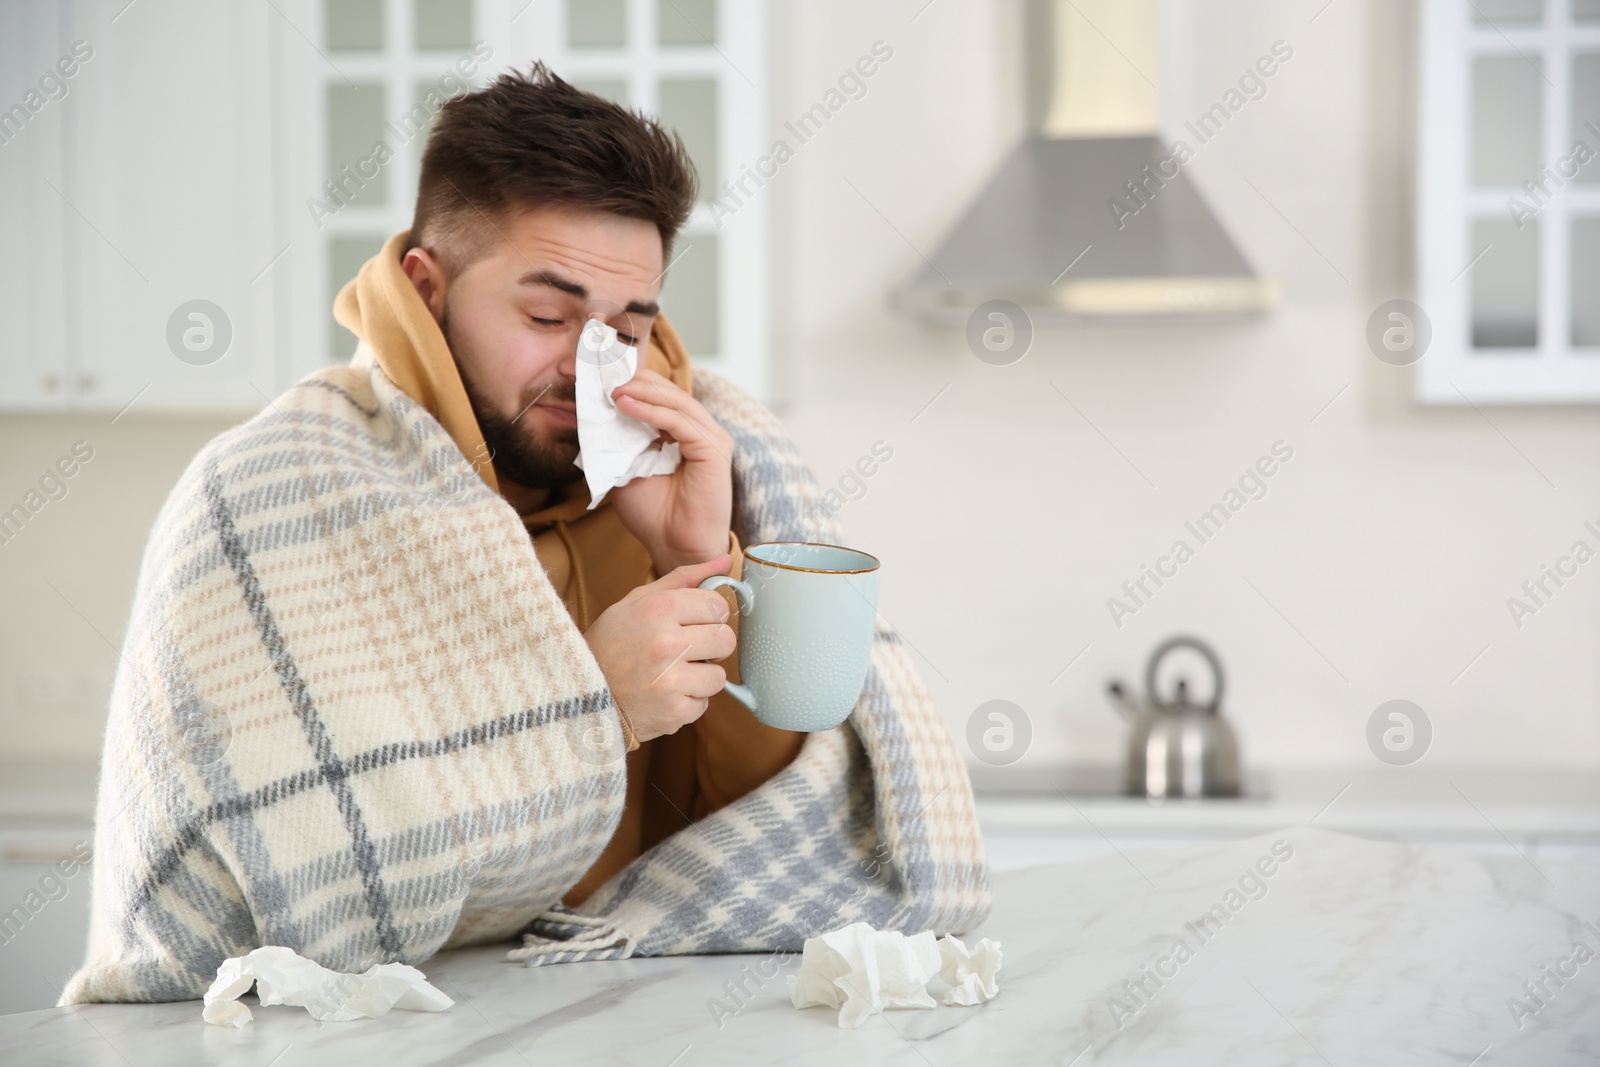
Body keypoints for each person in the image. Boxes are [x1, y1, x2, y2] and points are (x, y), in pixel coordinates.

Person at [62, 64, 987, 1005]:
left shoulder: (711, 454)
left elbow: (777, 833)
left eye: (628, 325)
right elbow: (298, 918)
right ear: (428, 290)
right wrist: (594, 707)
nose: (593, 365)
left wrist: (702, 561)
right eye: (549, 315)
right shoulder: (266, 493)